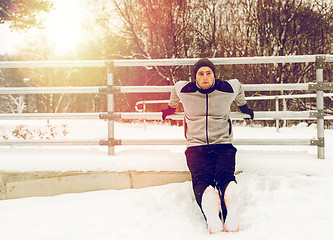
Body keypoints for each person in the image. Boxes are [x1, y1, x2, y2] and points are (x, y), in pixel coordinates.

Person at [161, 58, 254, 234]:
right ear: (195, 77)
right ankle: (224, 206)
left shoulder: (226, 88)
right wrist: (171, 108)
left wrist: (243, 106)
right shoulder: (185, 89)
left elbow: (238, 87)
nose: (205, 77)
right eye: (200, 74)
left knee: (205, 178)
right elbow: (175, 89)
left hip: (221, 145)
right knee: (220, 176)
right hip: (197, 147)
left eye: (208, 73)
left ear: (214, 75)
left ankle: (212, 207)